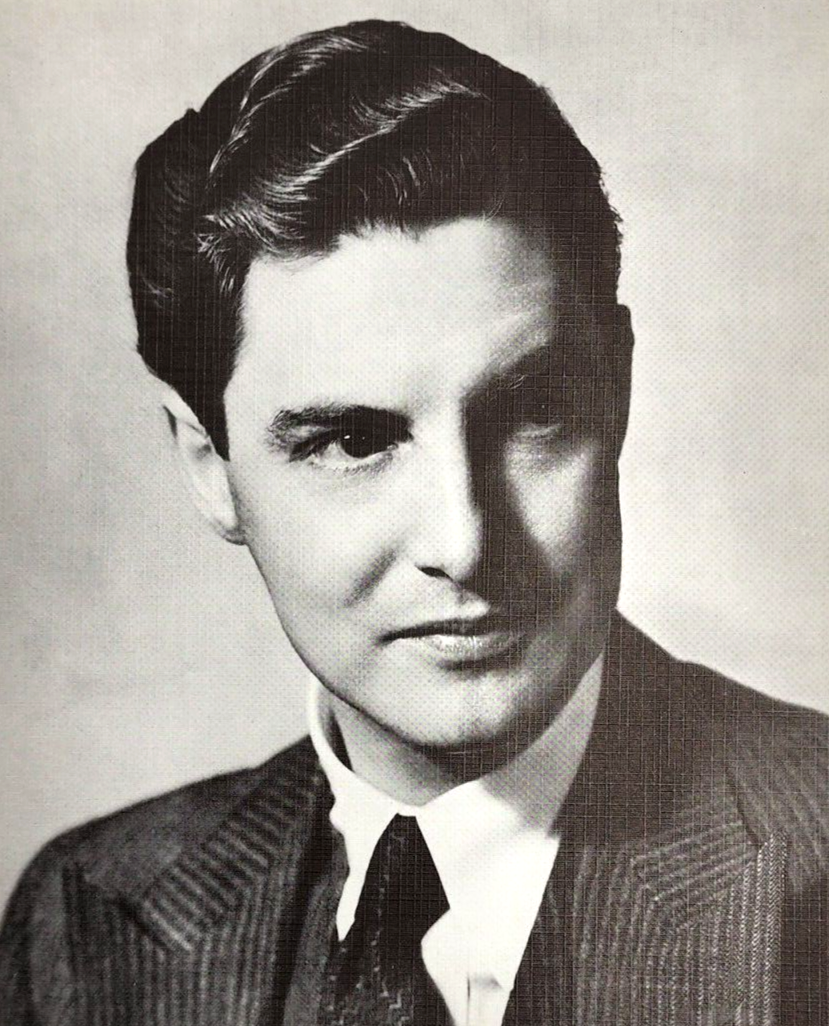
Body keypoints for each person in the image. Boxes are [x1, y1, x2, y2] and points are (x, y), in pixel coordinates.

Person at [1, 19, 825, 1026]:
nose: (463, 543)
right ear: (209, 468)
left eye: (533, 411)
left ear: (615, 390)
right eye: (353, 441)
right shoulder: (84, 922)